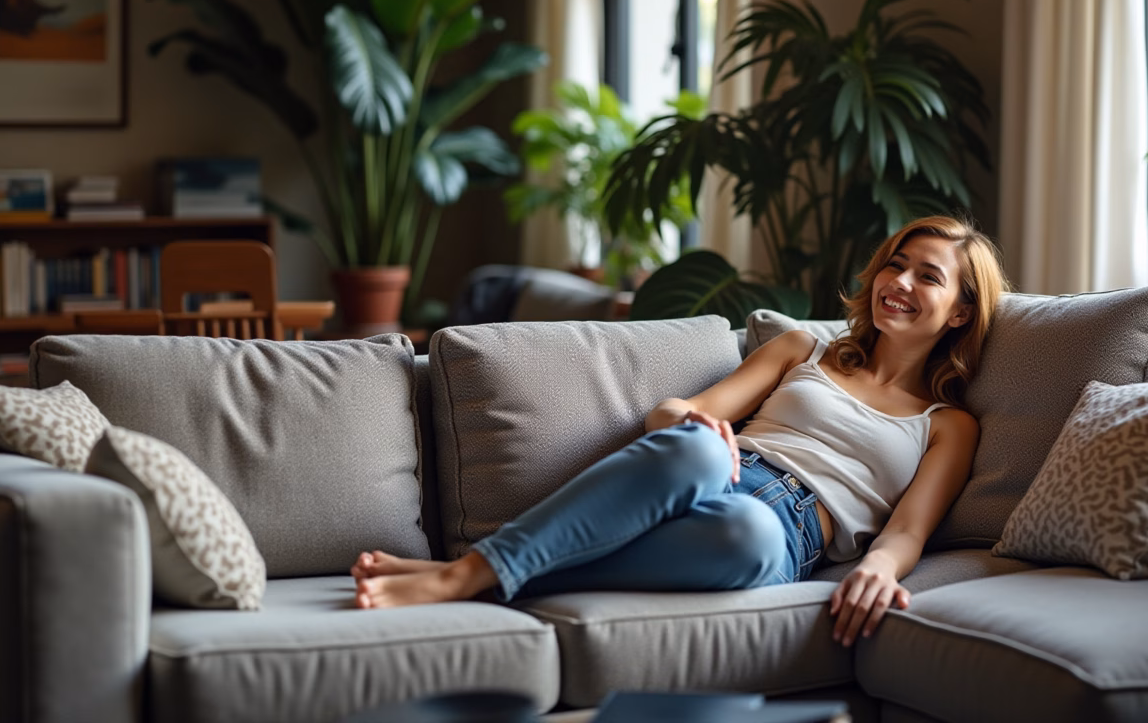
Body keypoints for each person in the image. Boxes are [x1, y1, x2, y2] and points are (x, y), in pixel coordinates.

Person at [352, 215, 1007, 646]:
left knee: (748, 533)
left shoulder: (948, 424)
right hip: (715, 469)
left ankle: (469, 571)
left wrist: (881, 570)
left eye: (928, 276)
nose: (899, 282)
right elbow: (673, 414)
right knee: (700, 448)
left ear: (960, 312)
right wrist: (693, 423)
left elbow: (907, 531)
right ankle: (462, 578)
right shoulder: (802, 349)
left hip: (784, 533)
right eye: (896, 264)